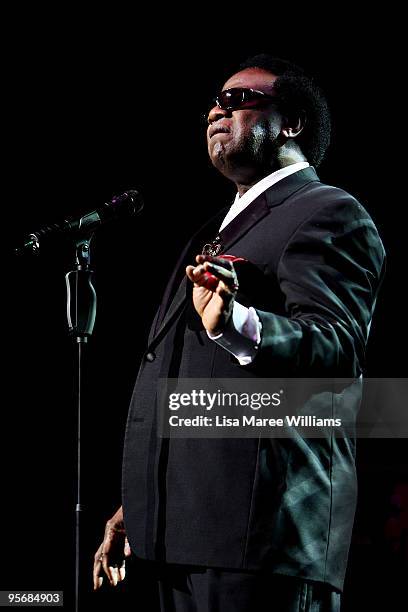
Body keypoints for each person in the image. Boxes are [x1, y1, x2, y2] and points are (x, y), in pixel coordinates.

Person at [93, 55, 386, 611]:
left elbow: (336, 350)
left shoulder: (328, 210)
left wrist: (236, 323)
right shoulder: (215, 229)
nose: (214, 112)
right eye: (212, 102)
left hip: (260, 541)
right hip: (184, 534)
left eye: (236, 100)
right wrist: (144, 499)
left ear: (291, 123)